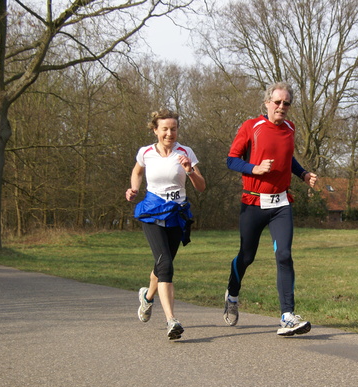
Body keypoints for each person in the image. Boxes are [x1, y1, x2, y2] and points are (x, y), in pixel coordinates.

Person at [223, 82, 318, 336]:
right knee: (247, 256)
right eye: (277, 102)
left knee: (284, 255)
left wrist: (303, 174)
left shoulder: (290, 128)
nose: (282, 107)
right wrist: (253, 168)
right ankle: (232, 294)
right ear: (267, 103)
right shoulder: (250, 126)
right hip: (253, 202)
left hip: (281, 203)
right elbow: (231, 160)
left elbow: (289, 159)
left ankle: (287, 316)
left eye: (286, 103)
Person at [125, 109, 206, 340]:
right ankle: (172, 320)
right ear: (155, 130)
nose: (170, 133)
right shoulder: (146, 153)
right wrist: (134, 189)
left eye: (174, 129)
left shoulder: (186, 152)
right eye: (165, 129)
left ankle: (147, 297)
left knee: (161, 265)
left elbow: (201, 187)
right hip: (152, 213)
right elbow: (137, 172)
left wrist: (190, 171)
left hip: (176, 215)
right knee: (166, 265)